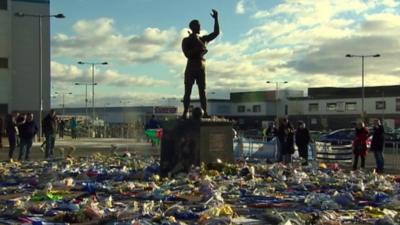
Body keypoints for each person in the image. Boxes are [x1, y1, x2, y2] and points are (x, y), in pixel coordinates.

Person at [181, 9, 220, 118]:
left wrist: (216, 19)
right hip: (191, 67)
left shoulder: (203, 40)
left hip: (201, 68)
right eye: (198, 26)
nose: (200, 27)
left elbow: (216, 33)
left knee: (202, 91)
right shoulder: (186, 40)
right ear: (193, 27)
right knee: (187, 91)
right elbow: (187, 54)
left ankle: (205, 112)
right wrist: (198, 49)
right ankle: (185, 112)